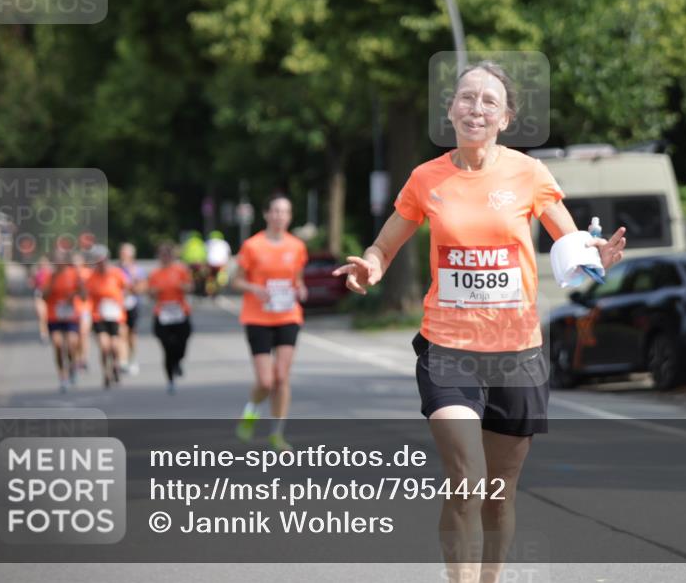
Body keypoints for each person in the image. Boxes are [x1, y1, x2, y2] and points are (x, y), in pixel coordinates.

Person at [333, 61, 627, 583]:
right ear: (450, 110)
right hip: (448, 350)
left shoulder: (529, 174)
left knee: (498, 494)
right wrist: (371, 266)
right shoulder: (427, 178)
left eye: (489, 101)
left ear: (506, 117)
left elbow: (571, 240)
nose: (476, 108)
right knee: (468, 481)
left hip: (517, 353)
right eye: (466, 98)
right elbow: (384, 245)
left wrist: (595, 255)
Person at [232, 194, 308, 452]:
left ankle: (277, 432)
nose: (279, 216)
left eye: (284, 212)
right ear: (266, 214)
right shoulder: (252, 246)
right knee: (265, 381)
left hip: (288, 315)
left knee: (281, 377)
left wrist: (301, 289)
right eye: (275, 211)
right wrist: (253, 287)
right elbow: (235, 281)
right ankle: (251, 412)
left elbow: (296, 278)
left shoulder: (297, 246)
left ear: (289, 216)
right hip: (258, 317)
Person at [147, 242, 193, 394]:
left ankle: (178, 361)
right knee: (167, 347)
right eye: (162, 254)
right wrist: (154, 291)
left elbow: (190, 287)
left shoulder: (180, 270)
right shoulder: (155, 273)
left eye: (168, 254)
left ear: (172, 256)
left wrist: (182, 286)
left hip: (180, 311)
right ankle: (170, 380)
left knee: (182, 343)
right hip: (163, 313)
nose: (165, 257)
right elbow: (150, 294)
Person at [85, 245, 132, 389]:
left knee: (115, 345)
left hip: (115, 315)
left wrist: (122, 300)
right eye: (98, 262)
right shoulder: (91, 276)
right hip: (98, 315)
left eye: (103, 261)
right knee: (104, 347)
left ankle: (116, 365)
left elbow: (128, 288)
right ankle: (106, 372)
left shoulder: (116, 273)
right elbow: (84, 295)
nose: (101, 264)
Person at [42, 250, 86, 392]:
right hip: (54, 316)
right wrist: (53, 281)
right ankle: (63, 376)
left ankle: (72, 366)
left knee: (72, 344)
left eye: (60, 260)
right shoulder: (50, 276)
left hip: (70, 315)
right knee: (58, 345)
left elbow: (84, 296)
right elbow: (44, 297)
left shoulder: (73, 274)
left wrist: (77, 291)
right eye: (55, 261)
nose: (58, 263)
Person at [118, 242, 148, 374]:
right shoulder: (116, 270)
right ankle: (122, 361)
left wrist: (132, 276)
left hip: (133, 305)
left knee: (132, 334)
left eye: (126, 254)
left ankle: (132, 358)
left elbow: (141, 289)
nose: (123, 256)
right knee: (121, 332)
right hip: (119, 306)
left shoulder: (138, 270)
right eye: (122, 253)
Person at [72, 250, 93, 373]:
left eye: (78, 260)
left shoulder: (89, 274)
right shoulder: (69, 275)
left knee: (84, 333)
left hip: (85, 308)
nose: (75, 263)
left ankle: (84, 359)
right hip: (72, 309)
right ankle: (75, 359)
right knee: (75, 338)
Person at [30, 255, 53, 344]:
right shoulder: (37, 272)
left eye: (45, 263)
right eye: (42, 263)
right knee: (41, 316)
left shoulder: (51, 272)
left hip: (49, 296)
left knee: (47, 316)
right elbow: (32, 284)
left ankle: (49, 331)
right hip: (39, 295)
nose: (43, 265)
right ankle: (43, 335)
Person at [205, 230, 232, 297]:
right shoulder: (224, 243)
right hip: (221, 263)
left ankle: (210, 291)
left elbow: (205, 252)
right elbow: (228, 254)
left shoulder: (208, 242)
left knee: (210, 278)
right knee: (221, 277)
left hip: (211, 263)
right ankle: (221, 288)